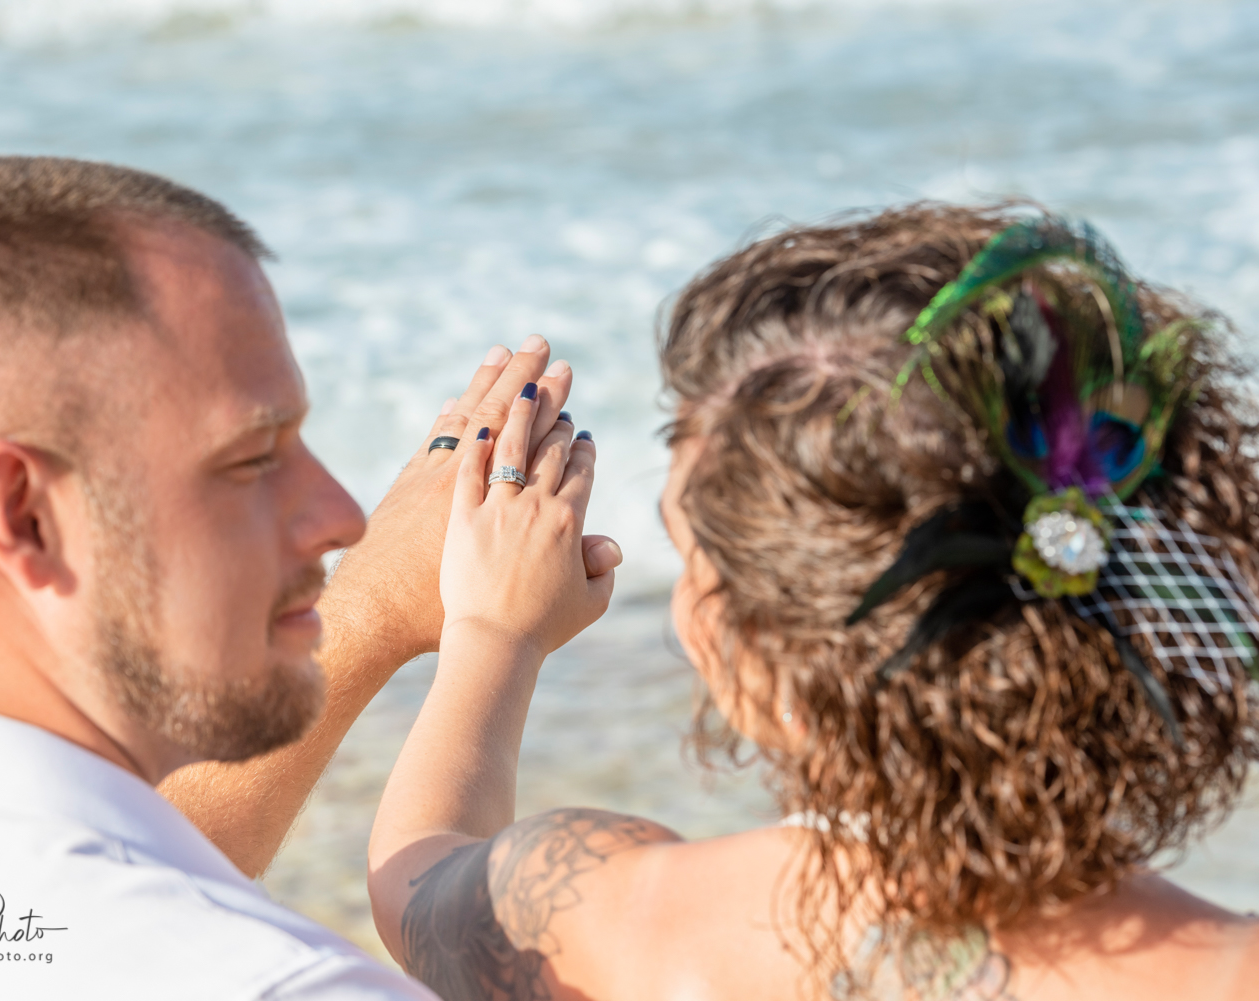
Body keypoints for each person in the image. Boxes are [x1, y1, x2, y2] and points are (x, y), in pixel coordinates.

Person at [0, 155, 621, 998]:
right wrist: (493, 639)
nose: (345, 517)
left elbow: (102, 868)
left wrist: (376, 607)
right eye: (253, 457)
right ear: (22, 514)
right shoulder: (279, 981)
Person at [365, 204, 1259, 1000]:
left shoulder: (636, 928)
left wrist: (493, 632)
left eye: (694, 556)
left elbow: (415, 867)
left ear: (763, 665)